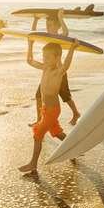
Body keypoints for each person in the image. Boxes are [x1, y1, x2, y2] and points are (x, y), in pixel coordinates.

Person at [19, 38, 79, 174]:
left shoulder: (58, 71)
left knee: (37, 135)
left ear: (57, 57)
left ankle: (33, 164)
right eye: (43, 56)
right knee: (57, 132)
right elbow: (29, 60)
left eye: (47, 57)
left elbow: (67, 65)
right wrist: (30, 44)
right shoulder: (45, 67)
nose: (44, 59)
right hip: (46, 109)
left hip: (53, 110)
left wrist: (72, 48)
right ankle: (73, 148)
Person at [31, 9, 81, 126]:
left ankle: (76, 113)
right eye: (47, 25)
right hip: (48, 71)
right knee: (38, 96)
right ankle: (39, 120)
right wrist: (35, 19)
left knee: (65, 96)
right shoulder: (48, 37)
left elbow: (66, 32)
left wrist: (60, 18)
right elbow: (33, 33)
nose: (48, 27)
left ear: (57, 26)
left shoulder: (59, 37)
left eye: (51, 25)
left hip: (59, 72)